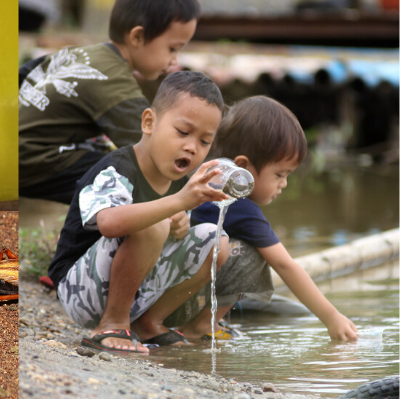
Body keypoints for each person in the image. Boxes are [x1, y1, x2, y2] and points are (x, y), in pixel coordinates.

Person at [48, 71, 231, 354]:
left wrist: (181, 223)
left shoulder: (179, 182)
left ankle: (149, 322)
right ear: (149, 122)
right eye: (183, 132)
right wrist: (177, 203)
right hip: (80, 291)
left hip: (136, 290)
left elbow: (174, 233)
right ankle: (112, 322)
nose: (191, 147)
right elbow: (108, 222)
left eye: (204, 142)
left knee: (217, 242)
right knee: (153, 223)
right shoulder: (118, 167)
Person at [190, 96, 359, 341]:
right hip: (178, 282)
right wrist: (332, 317)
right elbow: (285, 265)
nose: (284, 183)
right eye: (280, 174)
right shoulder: (240, 207)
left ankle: (200, 317)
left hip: (168, 280)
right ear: (243, 167)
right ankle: (202, 324)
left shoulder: (203, 176)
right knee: (254, 253)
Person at [19, 0, 200, 204]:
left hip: (15, 150)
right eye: (172, 49)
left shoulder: (81, 53)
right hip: (33, 160)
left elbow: (23, 74)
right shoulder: (112, 79)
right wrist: (191, 192)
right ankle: (83, 235)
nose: (174, 60)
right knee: (127, 175)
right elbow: (154, 145)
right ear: (137, 37)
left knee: (108, 152)